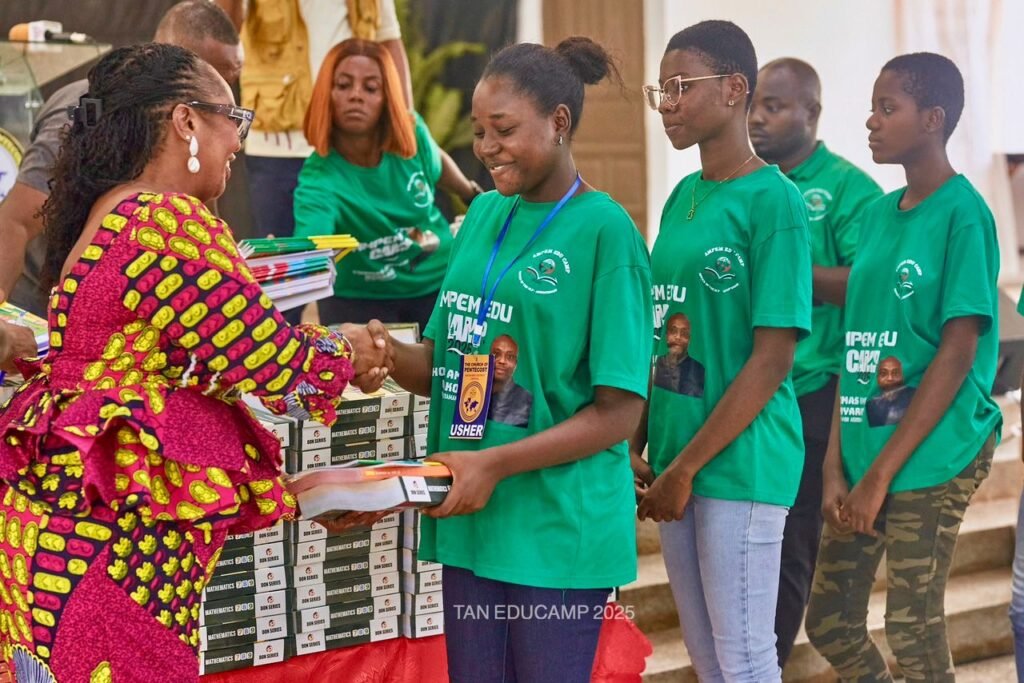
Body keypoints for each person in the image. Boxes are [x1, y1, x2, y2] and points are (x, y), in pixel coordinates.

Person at [0, 43, 389, 682]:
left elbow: (187, 365)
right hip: (106, 575)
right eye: (233, 119)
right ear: (186, 121)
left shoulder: (109, 212)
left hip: (52, 552)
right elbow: (277, 364)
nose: (238, 141)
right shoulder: (167, 219)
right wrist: (355, 350)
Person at [387, 37, 652, 681]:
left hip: (555, 531)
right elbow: (447, 364)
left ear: (559, 122)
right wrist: (385, 354)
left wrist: (493, 464)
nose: (486, 147)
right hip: (474, 520)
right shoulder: (483, 214)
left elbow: (619, 413)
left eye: (503, 130)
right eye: (479, 131)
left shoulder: (606, 232)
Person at [805, 53, 1000, 682]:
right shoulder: (877, 216)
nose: (871, 121)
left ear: (933, 119)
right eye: (873, 107)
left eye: (888, 108)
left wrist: (880, 476)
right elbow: (856, 346)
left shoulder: (964, 214)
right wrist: (836, 467)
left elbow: (958, 351)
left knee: (912, 629)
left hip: (934, 448)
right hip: (866, 446)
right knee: (831, 622)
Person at [631, 20, 812, 682]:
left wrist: (686, 467)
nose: (667, 103)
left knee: (744, 657)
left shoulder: (775, 201)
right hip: (677, 459)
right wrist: (639, 443)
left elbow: (773, 357)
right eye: (661, 89)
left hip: (741, 461)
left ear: (734, 88)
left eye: (681, 86)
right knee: (707, 656)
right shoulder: (683, 196)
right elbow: (662, 333)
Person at [747, 57, 884, 666]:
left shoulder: (849, 189)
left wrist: (786, 271)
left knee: (791, 535)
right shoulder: (746, 183)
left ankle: (767, 664)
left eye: (773, 106)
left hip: (814, 388)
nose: (757, 118)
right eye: (754, 104)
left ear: (812, 112)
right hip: (747, 389)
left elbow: (866, 283)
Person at [0, 0, 245, 318]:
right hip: (40, 306)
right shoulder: (91, 111)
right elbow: (15, 222)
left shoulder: (167, 185)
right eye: (217, 94)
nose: (224, 93)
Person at [293, 38, 479, 330]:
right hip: (359, 301)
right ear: (326, 94)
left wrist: (473, 196)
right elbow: (311, 247)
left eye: (371, 88)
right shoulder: (319, 178)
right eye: (343, 85)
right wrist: (285, 264)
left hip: (438, 285)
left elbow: (436, 160)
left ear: (387, 97)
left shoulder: (412, 133)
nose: (356, 96)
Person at [215, 0, 413, 240]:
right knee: (291, 257)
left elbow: (389, 40)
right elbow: (222, 33)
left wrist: (406, 124)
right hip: (279, 150)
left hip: (354, 149)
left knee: (369, 250)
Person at [652, 312, 705, 397]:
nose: (678, 337)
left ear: (689, 339)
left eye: (684, 333)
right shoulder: (656, 364)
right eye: (673, 331)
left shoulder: (699, 370)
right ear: (666, 336)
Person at [486, 334, 532, 427]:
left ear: (515, 364)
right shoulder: (475, 390)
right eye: (496, 354)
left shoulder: (526, 400)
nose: (502, 361)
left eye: (510, 357)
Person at [865, 356, 917, 427]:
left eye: (895, 373)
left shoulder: (916, 397)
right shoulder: (871, 406)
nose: (890, 378)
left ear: (902, 376)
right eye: (884, 373)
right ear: (878, 378)